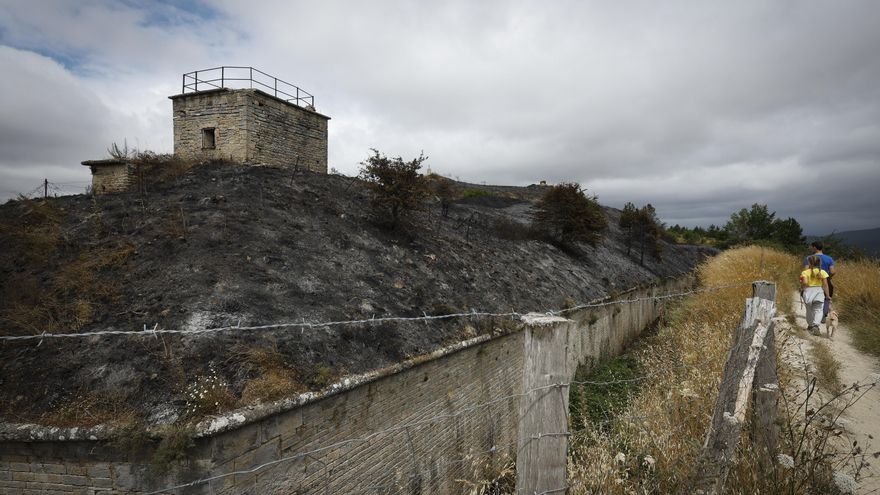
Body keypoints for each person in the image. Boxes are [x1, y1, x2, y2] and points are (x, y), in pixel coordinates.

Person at [803, 241, 836, 322]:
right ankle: (823, 316)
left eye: (811, 247)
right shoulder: (829, 258)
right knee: (826, 298)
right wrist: (828, 277)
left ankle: (813, 317)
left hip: (812, 281)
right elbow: (832, 271)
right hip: (826, 279)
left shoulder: (809, 258)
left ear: (814, 247)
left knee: (812, 298)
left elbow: (806, 270)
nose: (811, 248)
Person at [800, 255, 830, 334]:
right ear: (819, 263)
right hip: (819, 292)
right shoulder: (823, 272)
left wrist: (802, 288)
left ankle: (810, 325)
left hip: (808, 292)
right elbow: (825, 285)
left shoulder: (805, 272)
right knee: (819, 310)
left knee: (809, 310)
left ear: (809, 263)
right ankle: (816, 326)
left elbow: (805, 283)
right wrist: (827, 295)